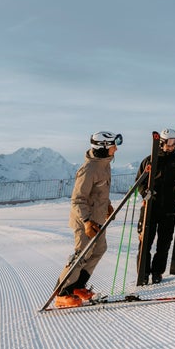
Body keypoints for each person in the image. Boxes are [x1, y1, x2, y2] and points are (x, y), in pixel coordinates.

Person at [55, 131, 121, 308]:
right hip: (85, 220)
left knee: (99, 249)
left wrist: (107, 205)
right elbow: (78, 199)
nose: (116, 148)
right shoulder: (89, 169)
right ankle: (63, 293)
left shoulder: (105, 165)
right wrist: (86, 221)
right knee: (81, 254)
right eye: (113, 145)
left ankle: (78, 287)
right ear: (103, 147)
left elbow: (99, 191)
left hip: (97, 218)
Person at [137, 128, 175, 284]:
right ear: (162, 142)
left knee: (164, 244)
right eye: (169, 143)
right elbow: (139, 182)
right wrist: (145, 192)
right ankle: (143, 273)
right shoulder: (149, 160)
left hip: (168, 209)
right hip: (150, 208)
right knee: (146, 243)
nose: (172, 146)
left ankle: (157, 272)